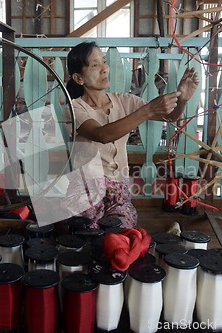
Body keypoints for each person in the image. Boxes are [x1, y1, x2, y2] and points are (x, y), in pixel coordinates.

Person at [63, 41, 200, 229]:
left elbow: (170, 117)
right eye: (95, 65)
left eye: (104, 62)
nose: (104, 69)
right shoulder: (75, 108)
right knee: (87, 231)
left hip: (118, 190)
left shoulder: (124, 100)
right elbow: (102, 134)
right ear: (78, 78)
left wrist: (182, 99)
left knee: (121, 231)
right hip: (87, 188)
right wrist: (147, 111)